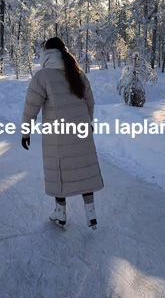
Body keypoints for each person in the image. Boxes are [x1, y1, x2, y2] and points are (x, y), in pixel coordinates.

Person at [21, 37, 104, 230]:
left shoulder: (43, 76)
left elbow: (31, 106)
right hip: (81, 132)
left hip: (57, 137)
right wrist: (87, 124)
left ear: (46, 53)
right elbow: (90, 102)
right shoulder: (78, 73)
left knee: (60, 173)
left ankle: (60, 214)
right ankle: (91, 213)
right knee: (84, 170)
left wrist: (26, 132)